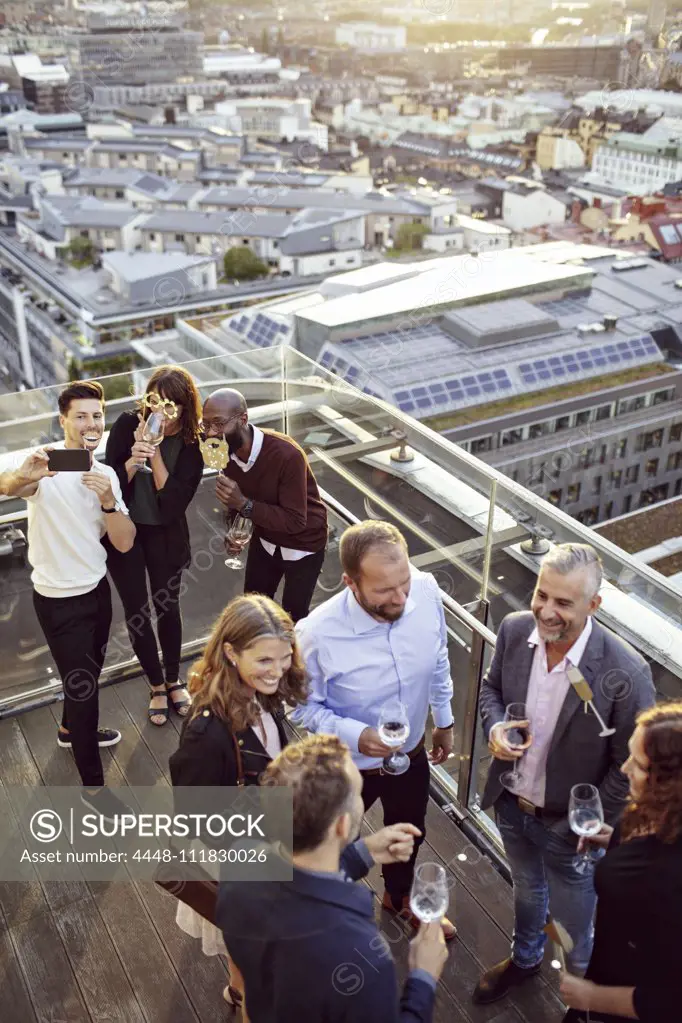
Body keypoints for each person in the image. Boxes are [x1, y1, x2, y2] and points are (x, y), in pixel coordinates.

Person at [473, 543, 656, 1005]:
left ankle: (583, 1000)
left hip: (571, 833)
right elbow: (492, 689)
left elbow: (630, 765)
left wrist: (581, 821)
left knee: (577, 924)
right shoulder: (516, 630)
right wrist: (496, 726)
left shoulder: (626, 671)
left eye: (563, 603)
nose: (546, 612)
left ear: (594, 605)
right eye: (541, 595)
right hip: (511, 806)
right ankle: (526, 958)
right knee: (528, 891)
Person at [292, 519, 457, 939]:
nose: (401, 597)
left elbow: (438, 655)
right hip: (347, 767)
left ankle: (398, 897)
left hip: (413, 750)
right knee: (329, 845)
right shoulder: (315, 633)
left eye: (404, 582)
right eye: (384, 590)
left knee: (409, 829)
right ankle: (324, 912)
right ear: (350, 582)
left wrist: (444, 718)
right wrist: (355, 734)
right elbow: (301, 707)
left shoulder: (425, 588)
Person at [217, 733, 448, 1022]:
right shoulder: (361, 956)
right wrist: (423, 977)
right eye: (359, 794)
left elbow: (294, 882)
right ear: (342, 825)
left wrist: (362, 854)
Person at [0, 380, 136, 818]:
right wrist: (25, 476)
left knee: (88, 677)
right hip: (57, 601)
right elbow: (7, 486)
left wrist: (110, 501)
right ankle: (93, 791)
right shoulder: (45, 469)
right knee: (85, 692)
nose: (90, 423)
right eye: (80, 416)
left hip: (96, 591)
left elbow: (125, 543)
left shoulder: (107, 476)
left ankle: (67, 728)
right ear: (63, 421)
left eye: (97, 415)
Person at [169, 593, 310, 1005]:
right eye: (265, 660)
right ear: (230, 652)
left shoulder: (261, 694)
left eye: (284, 658)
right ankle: (246, 996)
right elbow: (196, 820)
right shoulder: (205, 734)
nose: (278, 670)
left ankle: (240, 990)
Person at [560, 702, 681, 1023]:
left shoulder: (674, 875)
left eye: (638, 764)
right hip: (607, 962)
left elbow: (669, 1001)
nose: (625, 768)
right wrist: (613, 838)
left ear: (671, 783)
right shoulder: (654, 810)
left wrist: (590, 997)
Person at [106, 366, 204, 726]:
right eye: (156, 402)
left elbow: (174, 502)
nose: (162, 412)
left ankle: (174, 678)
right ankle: (156, 684)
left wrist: (156, 453)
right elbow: (110, 485)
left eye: (172, 405)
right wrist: (134, 456)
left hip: (166, 534)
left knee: (168, 605)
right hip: (127, 532)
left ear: (185, 406)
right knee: (137, 611)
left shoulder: (194, 443)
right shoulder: (126, 424)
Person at [201, 387, 327, 622]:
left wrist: (243, 503)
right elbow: (240, 505)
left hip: (304, 544)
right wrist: (234, 529)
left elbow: (295, 521)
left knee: (294, 617)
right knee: (253, 610)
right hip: (265, 538)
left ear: (243, 420)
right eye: (205, 425)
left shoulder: (287, 454)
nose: (210, 433)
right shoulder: (225, 453)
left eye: (218, 424)